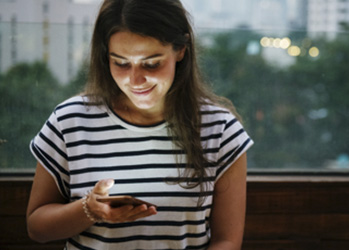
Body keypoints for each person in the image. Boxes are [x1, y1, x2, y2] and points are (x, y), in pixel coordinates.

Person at [26, 0, 253, 249]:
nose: (135, 80)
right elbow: (37, 228)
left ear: (180, 50)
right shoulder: (70, 121)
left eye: (151, 63)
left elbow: (227, 240)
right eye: (120, 63)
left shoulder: (219, 131)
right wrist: (89, 210)